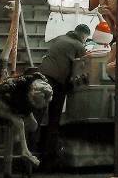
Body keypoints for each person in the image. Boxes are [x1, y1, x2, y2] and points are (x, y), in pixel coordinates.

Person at [37, 23, 91, 169]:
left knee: (39, 117)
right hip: (56, 81)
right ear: (83, 35)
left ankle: (35, 153)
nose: (85, 41)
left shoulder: (60, 38)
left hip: (41, 77)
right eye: (86, 38)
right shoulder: (79, 45)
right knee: (54, 119)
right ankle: (50, 159)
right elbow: (84, 65)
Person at [0, 67, 54, 167]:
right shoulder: (15, 89)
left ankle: (20, 141)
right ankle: (24, 150)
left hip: (24, 102)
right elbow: (0, 94)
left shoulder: (39, 81)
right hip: (3, 101)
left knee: (33, 125)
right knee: (19, 122)